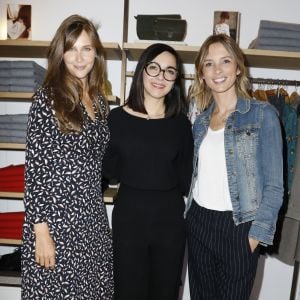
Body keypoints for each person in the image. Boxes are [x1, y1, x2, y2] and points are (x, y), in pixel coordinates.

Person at [21, 14, 114, 299]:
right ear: (60, 53)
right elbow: (34, 172)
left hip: (92, 222)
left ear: (96, 53)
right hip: (55, 224)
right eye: (71, 48)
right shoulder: (47, 99)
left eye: (86, 48)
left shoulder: (99, 101)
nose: (78, 57)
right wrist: (41, 233)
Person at [185, 34, 283, 300]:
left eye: (225, 61)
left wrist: (255, 236)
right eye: (209, 64)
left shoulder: (264, 115)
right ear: (202, 74)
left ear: (238, 68)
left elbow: (275, 186)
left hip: (239, 226)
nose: (217, 70)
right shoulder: (200, 123)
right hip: (199, 223)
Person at [104, 43, 193, 300]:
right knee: (127, 293)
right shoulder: (117, 119)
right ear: (142, 70)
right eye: (154, 68)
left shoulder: (181, 124)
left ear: (176, 80)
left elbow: (187, 179)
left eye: (169, 71)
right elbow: (108, 172)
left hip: (170, 223)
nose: (160, 77)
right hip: (129, 220)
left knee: (165, 293)